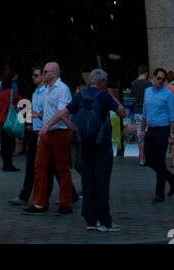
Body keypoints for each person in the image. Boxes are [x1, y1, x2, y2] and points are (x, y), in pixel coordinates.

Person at [45, 68, 125, 232]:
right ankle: (105, 220)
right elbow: (122, 113)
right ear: (101, 82)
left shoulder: (81, 95)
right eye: (106, 81)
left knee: (87, 182)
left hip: (85, 145)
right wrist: (112, 97)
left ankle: (90, 220)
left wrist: (75, 129)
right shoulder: (103, 96)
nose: (107, 83)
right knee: (102, 183)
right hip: (102, 146)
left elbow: (63, 113)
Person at [25, 61, 74, 215]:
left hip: (59, 132)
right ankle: (39, 202)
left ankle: (66, 203)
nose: (43, 75)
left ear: (53, 73)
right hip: (46, 134)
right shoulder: (46, 90)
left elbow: (61, 113)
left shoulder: (63, 89)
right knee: (40, 167)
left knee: (62, 169)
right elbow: (46, 111)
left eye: (45, 72)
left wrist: (46, 126)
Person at [10, 65, 57, 206]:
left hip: (45, 132)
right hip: (35, 132)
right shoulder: (35, 93)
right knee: (33, 165)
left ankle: (45, 196)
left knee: (49, 167)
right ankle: (25, 195)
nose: (34, 78)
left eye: (36, 75)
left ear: (43, 76)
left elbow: (49, 112)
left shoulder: (47, 93)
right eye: (33, 75)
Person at [139, 68, 174, 202]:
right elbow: (145, 112)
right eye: (159, 78)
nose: (161, 81)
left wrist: (171, 135)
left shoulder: (168, 95)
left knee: (160, 161)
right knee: (149, 160)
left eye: (163, 79)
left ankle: (159, 194)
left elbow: (173, 117)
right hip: (151, 129)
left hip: (163, 130)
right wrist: (142, 130)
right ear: (154, 78)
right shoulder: (147, 92)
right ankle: (172, 179)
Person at [0, 71, 21, 171]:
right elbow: (21, 102)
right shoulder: (13, 93)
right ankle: (9, 164)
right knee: (10, 143)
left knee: (3, 143)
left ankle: (5, 164)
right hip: (9, 121)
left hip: (0, 122)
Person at [129, 65, 149, 165]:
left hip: (137, 111)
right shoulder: (149, 83)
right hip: (148, 111)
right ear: (146, 73)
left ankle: (141, 158)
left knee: (140, 135)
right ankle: (148, 157)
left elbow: (132, 95)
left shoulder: (134, 83)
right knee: (148, 134)